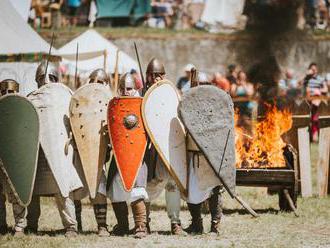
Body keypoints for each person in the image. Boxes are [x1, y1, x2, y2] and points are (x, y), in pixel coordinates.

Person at [27, 60, 82, 237]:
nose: (45, 81)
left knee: (62, 187)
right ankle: (31, 224)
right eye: (43, 78)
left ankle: (71, 226)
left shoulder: (65, 95)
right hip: (37, 150)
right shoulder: (31, 98)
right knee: (32, 189)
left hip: (59, 149)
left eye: (49, 77)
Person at [144, 58, 186, 236]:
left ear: (165, 75)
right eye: (153, 75)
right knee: (145, 187)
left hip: (169, 148)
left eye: (159, 74)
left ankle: (175, 223)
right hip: (148, 150)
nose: (156, 78)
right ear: (147, 76)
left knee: (172, 185)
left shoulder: (172, 93)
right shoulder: (141, 95)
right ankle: (143, 222)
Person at [107, 73, 149, 239]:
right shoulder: (115, 104)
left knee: (136, 190)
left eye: (129, 88)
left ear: (136, 88)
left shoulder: (142, 105)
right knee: (115, 190)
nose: (126, 91)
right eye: (123, 88)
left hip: (137, 155)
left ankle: (140, 226)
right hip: (119, 155)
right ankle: (123, 225)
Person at [72, 69, 111, 237]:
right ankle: (76, 224)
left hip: (99, 152)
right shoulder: (78, 98)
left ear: (106, 84)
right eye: (93, 79)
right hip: (79, 150)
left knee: (99, 188)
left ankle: (102, 226)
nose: (96, 83)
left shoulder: (109, 101)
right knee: (76, 188)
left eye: (100, 81)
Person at [0, 80, 28, 236]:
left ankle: (20, 225)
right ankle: (1, 224)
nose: (8, 95)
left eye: (11, 92)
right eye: (5, 92)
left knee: (16, 193)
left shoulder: (22, 109)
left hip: (15, 158)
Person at [303, 62, 328, 141]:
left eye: (314, 70)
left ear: (317, 70)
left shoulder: (321, 79)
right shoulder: (307, 79)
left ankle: (315, 132)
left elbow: (326, 89)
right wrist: (306, 75)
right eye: (312, 70)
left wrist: (318, 90)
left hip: (318, 99)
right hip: (310, 100)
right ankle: (313, 132)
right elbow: (303, 87)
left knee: (316, 105)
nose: (313, 71)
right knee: (313, 115)